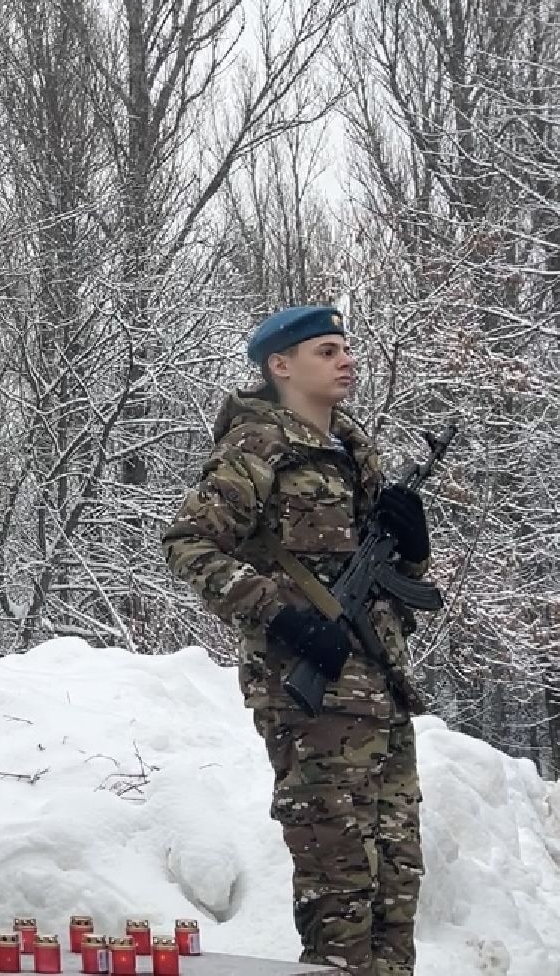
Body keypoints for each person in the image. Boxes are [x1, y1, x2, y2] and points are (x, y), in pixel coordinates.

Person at [162, 305, 431, 976]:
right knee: (338, 884)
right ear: (280, 366)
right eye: (325, 350)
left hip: (380, 686)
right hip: (310, 697)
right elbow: (188, 543)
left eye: (345, 347)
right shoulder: (256, 446)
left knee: (395, 883)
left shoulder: (353, 448)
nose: (345, 359)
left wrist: (414, 552)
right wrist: (278, 616)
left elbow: (383, 578)